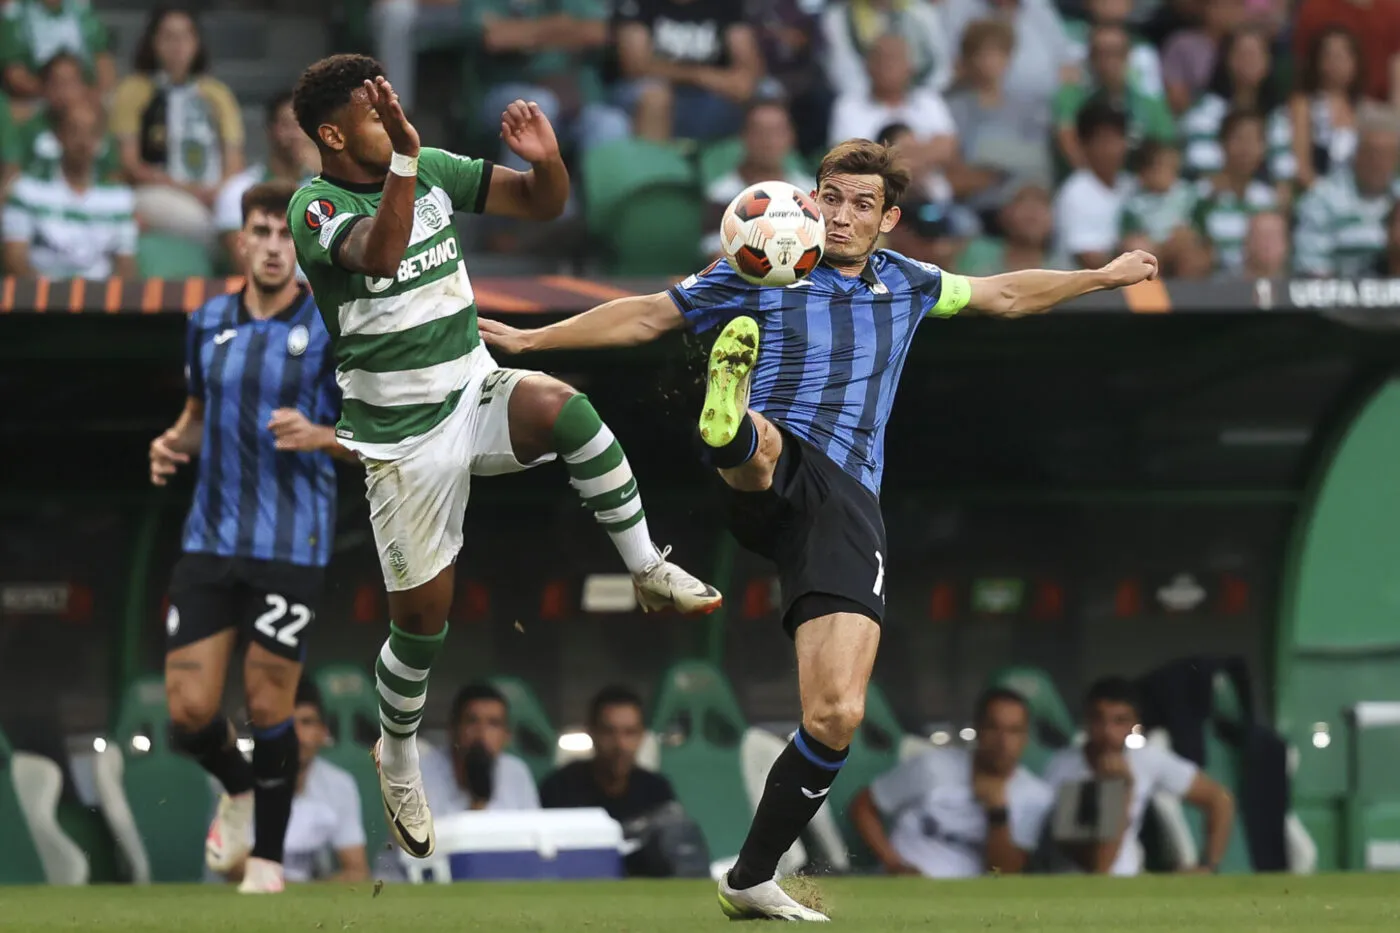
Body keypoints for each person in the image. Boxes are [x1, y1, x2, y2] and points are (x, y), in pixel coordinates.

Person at [477, 137, 1158, 919]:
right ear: (811, 200)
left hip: (846, 505)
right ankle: (728, 425)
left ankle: (750, 877)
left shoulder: (908, 282)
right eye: (831, 197)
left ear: (888, 219)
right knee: (764, 448)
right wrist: (535, 340)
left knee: (837, 714)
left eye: (861, 204)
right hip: (780, 464)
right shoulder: (760, 263)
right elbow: (644, 317)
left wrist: (1101, 276)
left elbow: (1006, 294)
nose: (840, 214)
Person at [284, 54, 720, 861]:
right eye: (375, 114)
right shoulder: (315, 206)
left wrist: (547, 160)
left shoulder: (431, 166)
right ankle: (400, 746)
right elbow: (379, 256)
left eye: (394, 108)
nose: (393, 122)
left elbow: (540, 205)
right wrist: (409, 158)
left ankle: (646, 564)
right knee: (422, 623)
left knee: (566, 407)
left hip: (470, 385)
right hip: (403, 437)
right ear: (335, 133)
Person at [147, 180, 350, 896]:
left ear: (300, 246)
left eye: (284, 236)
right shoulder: (207, 322)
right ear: (241, 241)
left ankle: (267, 860)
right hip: (210, 536)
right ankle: (236, 787)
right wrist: (171, 443)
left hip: (292, 542)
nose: (272, 247)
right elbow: (197, 412)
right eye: (261, 233)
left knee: (268, 703)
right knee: (188, 711)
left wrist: (321, 434)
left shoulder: (330, 327)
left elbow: (377, 435)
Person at [849, 688, 1054, 878]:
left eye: (1014, 731)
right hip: (898, 885)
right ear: (978, 729)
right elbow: (863, 806)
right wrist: (893, 864)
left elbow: (1003, 874)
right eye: (994, 728)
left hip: (967, 902)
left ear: (1026, 737)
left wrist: (997, 811)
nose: (1003, 742)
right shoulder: (933, 765)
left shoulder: (1037, 796)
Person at [1044, 677, 1236, 876]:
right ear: (1086, 720)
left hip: (1131, 879)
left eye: (1120, 721)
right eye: (1099, 719)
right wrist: (1120, 788)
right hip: (1072, 881)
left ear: (1135, 725)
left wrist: (1207, 866)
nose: (1108, 731)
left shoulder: (1146, 757)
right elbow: (1099, 865)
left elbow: (1220, 799)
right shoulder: (1061, 767)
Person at [111, 5, 245, 246]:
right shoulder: (132, 91)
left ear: (197, 42)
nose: (177, 45)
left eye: (186, 36)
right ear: (152, 42)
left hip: (212, 192)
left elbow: (234, 162)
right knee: (206, 225)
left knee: (240, 206)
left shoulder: (218, 94)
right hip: (155, 191)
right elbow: (130, 164)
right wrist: (187, 190)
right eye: (168, 37)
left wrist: (216, 191)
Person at [217, 681, 371, 885]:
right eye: (285, 724)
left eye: (306, 722)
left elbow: (357, 871)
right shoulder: (236, 779)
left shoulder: (340, 784)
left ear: (323, 733)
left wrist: (305, 894)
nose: (296, 735)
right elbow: (233, 866)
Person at [541, 686, 680, 877]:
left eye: (629, 733)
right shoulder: (558, 788)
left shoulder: (656, 789)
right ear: (591, 732)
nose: (620, 744)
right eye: (609, 732)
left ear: (641, 736)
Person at [1, 101, 136, 279]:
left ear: (100, 140)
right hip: (39, 298)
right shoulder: (26, 190)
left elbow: (125, 267)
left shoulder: (120, 198)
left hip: (98, 299)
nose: (83, 141)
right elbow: (14, 260)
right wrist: (51, 297)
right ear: (59, 136)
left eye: (91, 133)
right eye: (75, 131)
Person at [215, 91, 320, 272]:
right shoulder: (238, 190)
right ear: (270, 130)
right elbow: (247, 266)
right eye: (288, 125)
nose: (297, 135)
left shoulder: (328, 188)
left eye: (303, 126)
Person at [421, 683, 540, 814]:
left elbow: (532, 830)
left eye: (493, 724)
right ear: (453, 729)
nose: (481, 734)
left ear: (506, 735)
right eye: (472, 721)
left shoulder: (516, 772)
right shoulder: (421, 774)